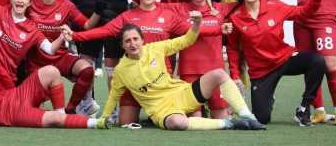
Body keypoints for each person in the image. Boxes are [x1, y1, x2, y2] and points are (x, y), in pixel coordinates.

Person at [66, 0, 228, 124]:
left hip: (160, 82)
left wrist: (219, 29)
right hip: (133, 80)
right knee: (125, 123)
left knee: (171, 121)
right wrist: (75, 36)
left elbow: (192, 32)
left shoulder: (169, 15)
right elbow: (104, 31)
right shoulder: (128, 16)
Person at [97, 17, 265, 131]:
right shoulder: (120, 70)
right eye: (128, 41)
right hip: (160, 109)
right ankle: (229, 124)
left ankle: (248, 117)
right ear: (123, 45)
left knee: (219, 74)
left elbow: (186, 40)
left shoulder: (156, 48)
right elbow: (114, 96)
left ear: (142, 40)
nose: (133, 43)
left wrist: (197, 24)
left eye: (135, 39)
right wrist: (104, 117)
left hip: (181, 93)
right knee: (178, 123)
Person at [226, 0, 326, 126]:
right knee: (262, 119)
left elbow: (303, 13)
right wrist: (235, 75)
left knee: (317, 61)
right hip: (261, 72)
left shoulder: (275, 6)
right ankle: (268, 96)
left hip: (285, 58)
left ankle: (304, 108)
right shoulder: (235, 17)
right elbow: (232, 48)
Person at [0, 52, 109, 129]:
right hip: (12, 114)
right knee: (54, 119)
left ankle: (62, 112)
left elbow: (9, 87)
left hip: (16, 94)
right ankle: (97, 123)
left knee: (51, 70)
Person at [26, 0, 101, 115]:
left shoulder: (67, 5)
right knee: (31, 108)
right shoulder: (29, 4)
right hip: (35, 60)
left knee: (87, 70)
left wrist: (99, 9)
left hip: (60, 57)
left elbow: (86, 25)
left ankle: (71, 109)